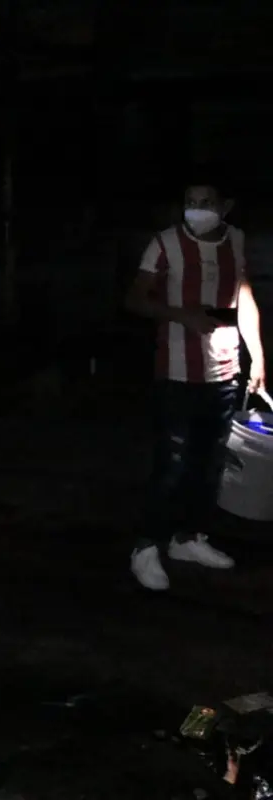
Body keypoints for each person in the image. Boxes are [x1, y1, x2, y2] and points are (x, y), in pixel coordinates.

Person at [126, 178, 266, 591]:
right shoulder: (165, 243)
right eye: (190, 201)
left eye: (206, 202)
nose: (197, 209)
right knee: (172, 464)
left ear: (226, 206)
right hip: (176, 374)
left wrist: (257, 356)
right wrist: (182, 316)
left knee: (209, 467)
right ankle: (146, 546)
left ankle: (188, 538)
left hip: (224, 373)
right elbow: (134, 299)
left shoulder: (235, 240)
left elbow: (245, 297)